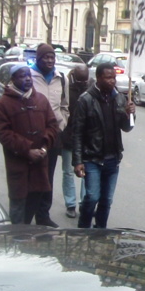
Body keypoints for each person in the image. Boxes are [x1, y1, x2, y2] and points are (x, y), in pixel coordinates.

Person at [72, 62, 135, 228]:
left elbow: (127, 127)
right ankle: (83, 229)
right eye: (108, 78)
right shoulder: (85, 100)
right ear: (99, 78)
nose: (112, 81)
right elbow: (77, 132)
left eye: (114, 77)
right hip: (92, 158)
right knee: (92, 197)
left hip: (112, 158)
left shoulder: (119, 98)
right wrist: (78, 161)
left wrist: (130, 114)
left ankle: (101, 231)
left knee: (106, 200)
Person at [0, 65, 59, 224]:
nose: (28, 79)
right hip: (18, 166)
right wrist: (27, 149)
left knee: (33, 204)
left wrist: (44, 147)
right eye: (23, 76)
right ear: (13, 79)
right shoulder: (3, 104)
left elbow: (52, 125)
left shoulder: (41, 100)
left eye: (29, 75)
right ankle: (16, 243)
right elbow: (4, 133)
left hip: (39, 164)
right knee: (18, 212)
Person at [31, 43, 70, 228]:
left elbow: (65, 105)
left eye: (52, 57)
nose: (49, 60)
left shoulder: (61, 79)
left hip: (53, 135)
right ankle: (26, 213)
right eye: (46, 57)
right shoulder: (28, 76)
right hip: (32, 136)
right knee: (31, 175)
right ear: (38, 58)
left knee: (48, 176)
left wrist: (61, 124)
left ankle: (43, 215)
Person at [61, 64, 90, 218]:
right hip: (69, 136)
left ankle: (85, 202)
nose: (83, 83)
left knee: (87, 172)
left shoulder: (91, 87)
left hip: (86, 138)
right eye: (80, 81)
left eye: (84, 81)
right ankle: (70, 204)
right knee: (68, 171)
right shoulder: (65, 88)